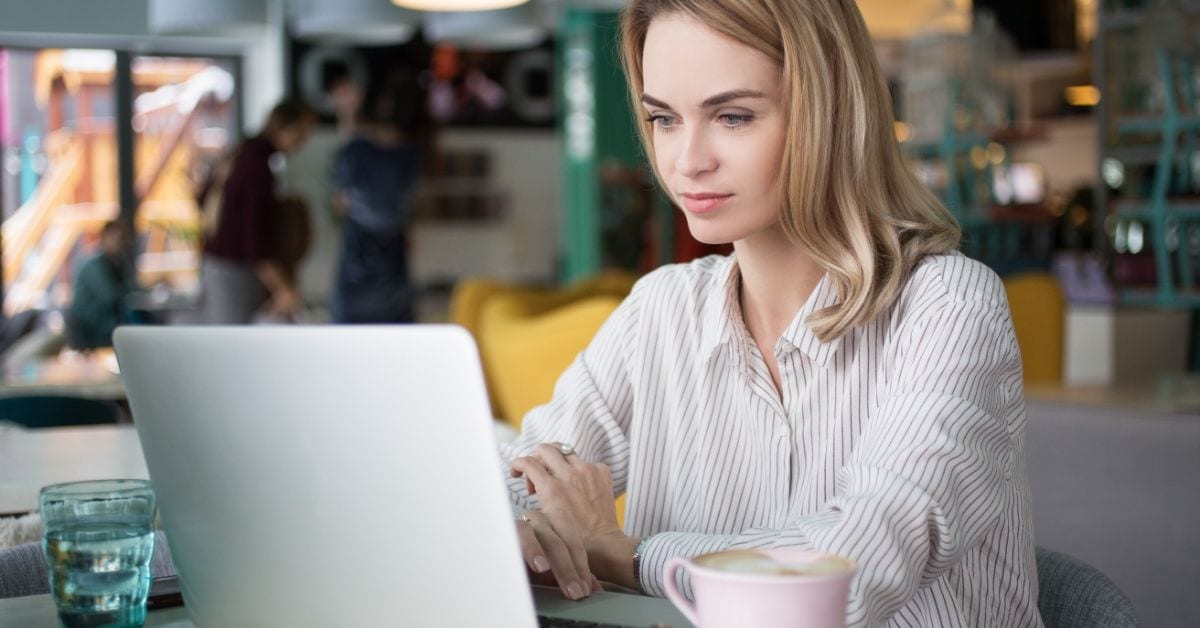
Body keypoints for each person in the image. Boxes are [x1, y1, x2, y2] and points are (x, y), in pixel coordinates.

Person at [500, 1, 1042, 626]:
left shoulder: (947, 305)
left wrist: (629, 555)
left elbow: (844, 572)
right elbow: (529, 470)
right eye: (664, 119)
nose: (686, 160)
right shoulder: (661, 310)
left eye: (732, 116)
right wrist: (512, 524)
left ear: (828, 114)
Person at [197, 99, 316, 324]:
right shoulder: (257, 165)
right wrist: (282, 287)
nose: (302, 142)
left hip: (218, 264)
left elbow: (204, 199)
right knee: (234, 346)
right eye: (301, 133)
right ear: (286, 128)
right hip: (232, 270)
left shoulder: (242, 152)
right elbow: (255, 237)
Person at [329, 76, 426, 324]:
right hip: (394, 276)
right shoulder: (412, 157)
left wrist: (347, 113)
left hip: (356, 273)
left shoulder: (357, 151)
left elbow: (340, 201)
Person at [67, 220, 136, 350]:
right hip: (93, 327)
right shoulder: (94, 264)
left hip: (107, 324)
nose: (120, 244)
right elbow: (110, 296)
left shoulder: (116, 263)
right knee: (134, 326)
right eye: (117, 238)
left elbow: (131, 287)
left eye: (123, 239)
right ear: (104, 238)